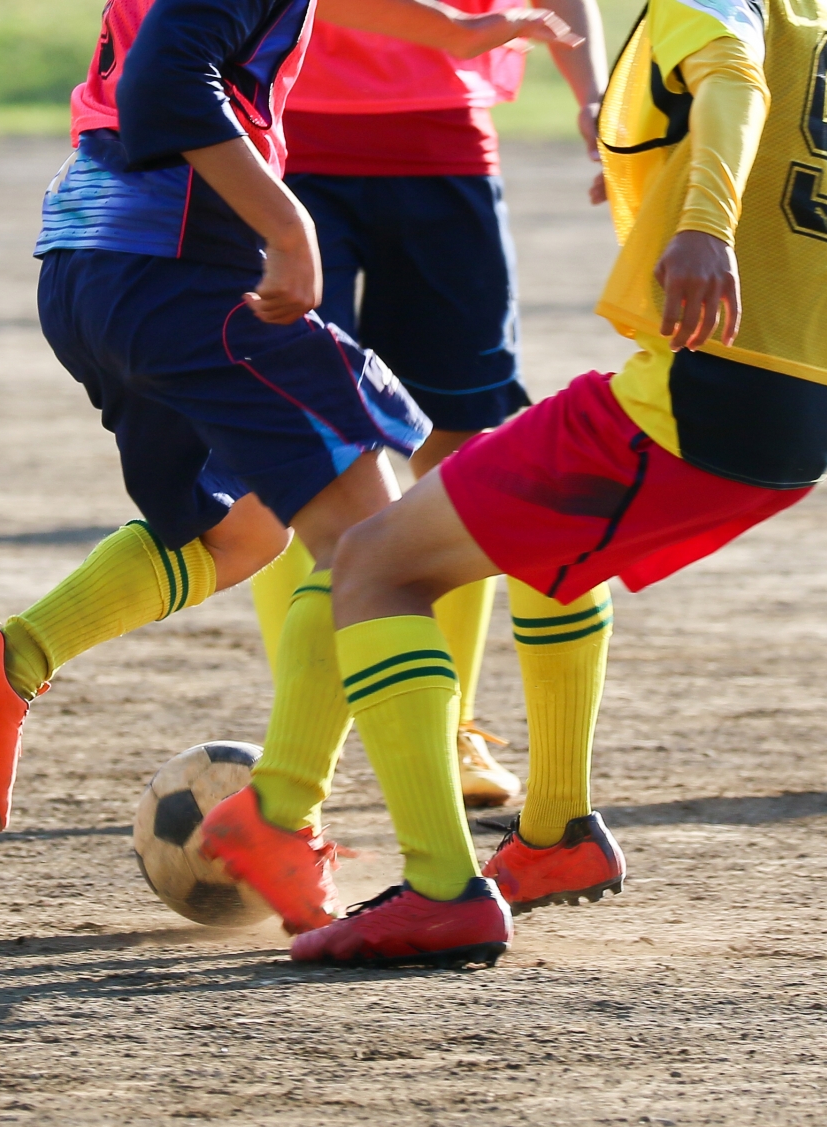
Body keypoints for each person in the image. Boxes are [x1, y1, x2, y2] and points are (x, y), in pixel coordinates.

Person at [214, 0, 827, 966]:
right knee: (539, 546)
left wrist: (704, 227)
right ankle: (559, 835)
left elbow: (734, 80)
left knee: (371, 564)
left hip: (689, 396)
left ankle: (431, 885)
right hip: (807, 415)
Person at [0, 0, 573, 844]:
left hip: (96, 264)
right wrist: (288, 223)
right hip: (178, 269)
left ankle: (12, 660)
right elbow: (169, 77)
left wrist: (449, 31)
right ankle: (399, 867)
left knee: (242, 531)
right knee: (381, 552)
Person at [245, 0, 609, 811]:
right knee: (300, 440)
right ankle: (311, 731)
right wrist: (451, 30)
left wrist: (593, 88)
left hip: (448, 137)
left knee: (463, 437)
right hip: (281, 133)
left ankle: (448, 719)